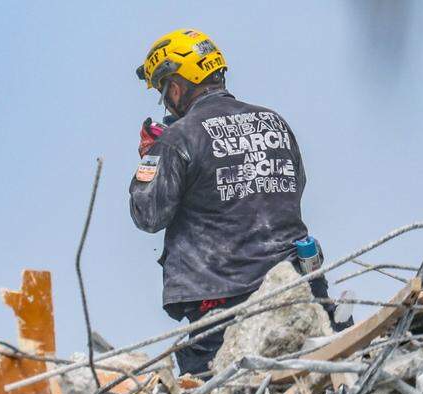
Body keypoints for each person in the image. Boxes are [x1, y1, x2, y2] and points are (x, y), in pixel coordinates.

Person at [129, 29, 343, 375]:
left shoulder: (178, 139)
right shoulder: (275, 123)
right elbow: (294, 187)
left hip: (221, 307)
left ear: (177, 86)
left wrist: (150, 157)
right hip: (298, 290)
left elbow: (148, 213)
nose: (166, 101)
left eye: (164, 91)